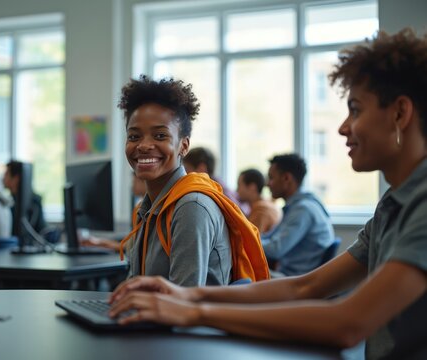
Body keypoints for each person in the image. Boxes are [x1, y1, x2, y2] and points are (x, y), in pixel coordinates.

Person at [109, 29, 427, 359]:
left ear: (400, 113)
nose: (343, 127)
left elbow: (347, 323)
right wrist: (187, 297)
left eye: (356, 110)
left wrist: (196, 312)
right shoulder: (394, 206)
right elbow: (305, 287)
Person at [117, 75, 269, 286]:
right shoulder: (148, 208)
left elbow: (182, 304)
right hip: (153, 314)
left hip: (188, 318)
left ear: (184, 146)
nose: (143, 145)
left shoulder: (191, 206)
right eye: (134, 136)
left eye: (160, 136)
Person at [261, 153, 335, 276]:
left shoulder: (303, 210)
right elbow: (271, 238)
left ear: (286, 178)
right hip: (290, 275)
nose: (267, 184)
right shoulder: (298, 206)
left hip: (294, 279)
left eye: (271, 178)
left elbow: (275, 250)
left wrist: (247, 240)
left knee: (239, 274)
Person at [183, 147, 251, 215]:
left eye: (187, 168)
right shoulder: (220, 185)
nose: (184, 173)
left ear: (201, 168)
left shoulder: (215, 191)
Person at [3, 160, 48, 233]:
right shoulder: (8, 202)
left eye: (6, 174)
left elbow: (41, 229)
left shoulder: (34, 203)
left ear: (16, 178)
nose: (3, 177)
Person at [236, 168, 280, 233]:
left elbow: (250, 239)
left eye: (239, 185)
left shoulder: (261, 210)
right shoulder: (264, 205)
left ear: (252, 187)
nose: (237, 190)